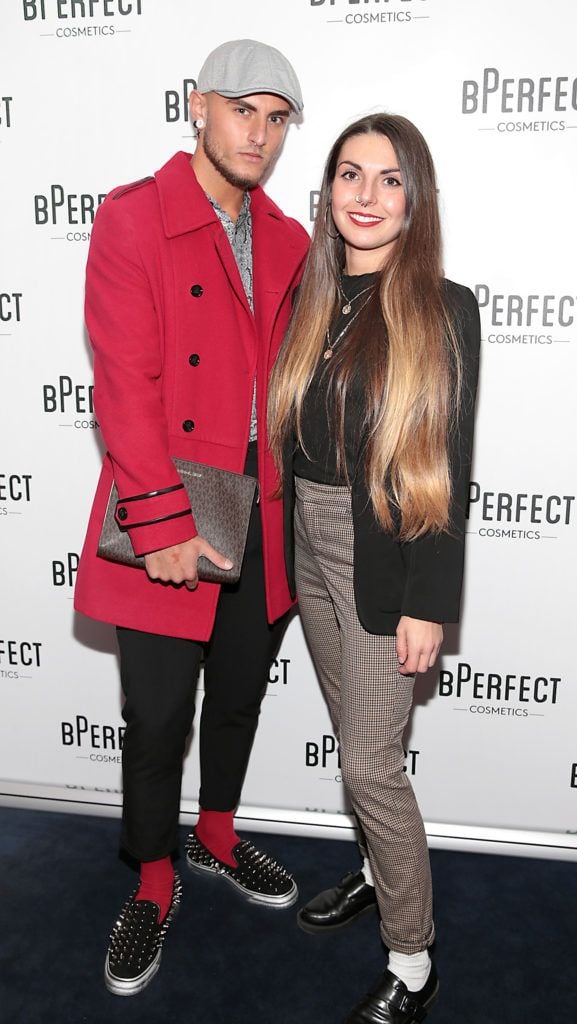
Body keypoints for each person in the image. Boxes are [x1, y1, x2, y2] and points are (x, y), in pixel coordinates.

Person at [74, 39, 309, 996]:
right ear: (195, 107)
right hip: (174, 502)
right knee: (158, 711)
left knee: (243, 690)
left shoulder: (294, 237)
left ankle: (215, 834)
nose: (257, 131)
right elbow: (122, 384)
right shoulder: (134, 218)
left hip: (268, 506)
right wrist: (163, 520)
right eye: (241, 108)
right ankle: (155, 876)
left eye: (277, 116)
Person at [268, 113, 480, 1023]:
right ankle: (372, 870)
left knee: (366, 763)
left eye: (388, 179)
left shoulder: (442, 306)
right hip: (307, 543)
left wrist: (428, 601)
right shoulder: (307, 296)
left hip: (383, 551)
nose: (364, 194)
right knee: (352, 726)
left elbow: (445, 465)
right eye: (348, 174)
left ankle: (412, 957)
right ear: (327, 193)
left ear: (414, 197)